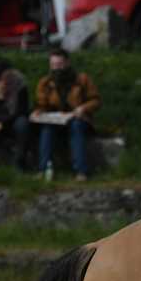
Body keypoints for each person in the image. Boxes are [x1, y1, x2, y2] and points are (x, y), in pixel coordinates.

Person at [32, 48, 101, 182]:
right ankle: (43, 169)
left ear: (67, 63)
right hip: (57, 120)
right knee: (47, 129)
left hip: (79, 118)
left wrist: (83, 108)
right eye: (53, 65)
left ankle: (81, 171)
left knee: (76, 126)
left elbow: (96, 100)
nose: (56, 68)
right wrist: (38, 111)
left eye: (59, 64)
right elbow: (41, 103)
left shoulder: (82, 79)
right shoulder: (45, 82)